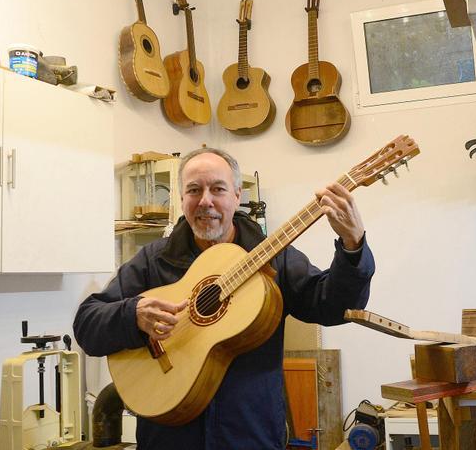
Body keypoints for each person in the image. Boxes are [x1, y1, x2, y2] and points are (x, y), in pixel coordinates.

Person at [73, 147, 374, 449]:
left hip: (250, 435)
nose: (206, 201)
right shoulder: (155, 260)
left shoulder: (273, 259)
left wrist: (352, 246)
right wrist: (133, 314)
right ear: (182, 200)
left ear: (237, 195)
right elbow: (87, 324)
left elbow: (334, 307)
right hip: (168, 438)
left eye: (217, 189)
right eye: (194, 190)